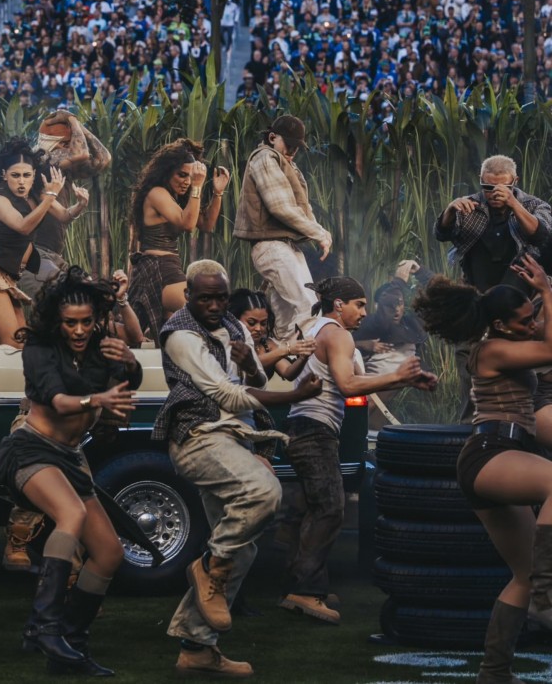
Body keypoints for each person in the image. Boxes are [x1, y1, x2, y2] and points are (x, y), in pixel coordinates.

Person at [156, 260, 325, 677]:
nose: (214, 306)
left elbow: (256, 382)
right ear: (188, 296)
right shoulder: (180, 335)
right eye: (205, 298)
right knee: (264, 492)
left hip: (234, 438)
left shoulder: (235, 326)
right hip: (199, 436)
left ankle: (196, 647)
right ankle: (209, 565)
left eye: (220, 298)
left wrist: (251, 363)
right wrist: (295, 396)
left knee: (243, 547)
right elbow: (227, 396)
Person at [0, 268, 141, 675]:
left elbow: (126, 380)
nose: (79, 330)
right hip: (32, 449)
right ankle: (46, 628)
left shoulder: (101, 345)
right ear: (57, 320)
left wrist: (130, 361)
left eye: (86, 321)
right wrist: (98, 400)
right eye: (70, 323)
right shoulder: (38, 347)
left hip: (70, 456)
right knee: (71, 515)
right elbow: (58, 401)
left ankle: (70, 644)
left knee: (109, 552)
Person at [415, 257, 552, 684]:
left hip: (502, 454)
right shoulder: (492, 349)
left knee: (522, 574)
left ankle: (494, 672)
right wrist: (546, 292)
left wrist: (543, 297)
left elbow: (543, 339)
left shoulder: (506, 341)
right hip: (492, 453)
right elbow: (550, 349)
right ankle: (547, 594)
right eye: (524, 321)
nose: (532, 325)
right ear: (500, 324)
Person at [279, 277, 434, 625]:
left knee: (311, 508)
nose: (364, 312)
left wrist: (400, 378)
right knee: (330, 509)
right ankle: (305, 590)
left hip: (305, 429)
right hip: (314, 431)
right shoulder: (338, 334)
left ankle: (301, 585)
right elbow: (348, 385)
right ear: (339, 304)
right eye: (359, 304)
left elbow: (337, 380)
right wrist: (399, 377)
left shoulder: (316, 327)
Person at [0, 137, 74, 347]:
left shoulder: (35, 197)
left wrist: (81, 204)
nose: (21, 181)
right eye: (15, 175)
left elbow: (65, 216)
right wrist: (50, 196)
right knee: (13, 343)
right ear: (5, 175)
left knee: (22, 343)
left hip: (7, 278)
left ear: (33, 175)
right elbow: (23, 226)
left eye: (26, 175)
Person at [234, 115, 333, 341]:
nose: (293, 150)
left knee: (288, 316)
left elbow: (302, 207)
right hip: (271, 245)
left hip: (286, 245)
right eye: (289, 144)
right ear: (272, 137)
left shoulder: (286, 164)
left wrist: (320, 232)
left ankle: (288, 357)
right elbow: (280, 207)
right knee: (307, 306)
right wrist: (319, 233)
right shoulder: (265, 157)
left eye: (297, 147)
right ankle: (314, 355)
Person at [127, 140, 228, 339]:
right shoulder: (157, 193)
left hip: (170, 266)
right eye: (182, 175)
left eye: (190, 177)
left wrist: (218, 192)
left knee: (169, 334)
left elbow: (206, 224)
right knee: (206, 309)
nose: (187, 181)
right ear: (166, 172)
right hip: (158, 269)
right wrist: (197, 186)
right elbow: (187, 224)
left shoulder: (174, 197)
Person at [436, 156, 552, 292]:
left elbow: (542, 236)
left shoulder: (535, 205)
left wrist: (514, 204)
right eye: (488, 187)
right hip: (476, 286)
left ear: (515, 181)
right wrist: (449, 211)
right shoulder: (469, 204)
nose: (495, 193)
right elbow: (442, 235)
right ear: (481, 180)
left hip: (519, 289)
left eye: (504, 188)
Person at [228, 290, 314, 380]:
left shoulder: (267, 345)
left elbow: (287, 372)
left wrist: (303, 356)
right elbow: (251, 363)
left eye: (263, 323)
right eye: (251, 323)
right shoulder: (230, 344)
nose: (258, 328)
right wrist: (287, 349)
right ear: (236, 319)